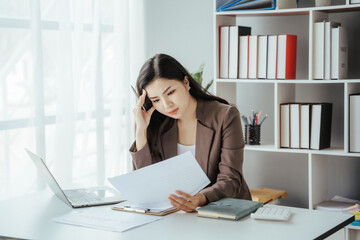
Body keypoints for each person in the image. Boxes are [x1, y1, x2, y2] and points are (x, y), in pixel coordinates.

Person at [130, 53, 251, 213]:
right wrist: (141, 130)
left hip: (225, 213)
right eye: (156, 100)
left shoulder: (225, 116)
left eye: (170, 92)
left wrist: (200, 199)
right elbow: (147, 183)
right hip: (177, 217)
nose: (167, 105)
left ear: (186, 82)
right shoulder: (157, 124)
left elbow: (231, 180)